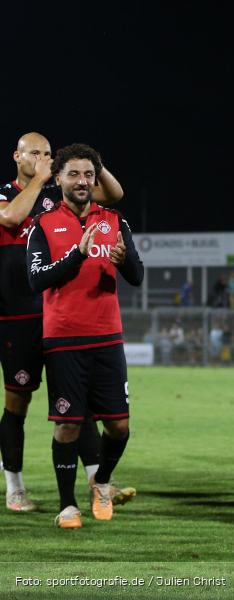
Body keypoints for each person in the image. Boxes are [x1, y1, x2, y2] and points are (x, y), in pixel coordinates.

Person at [0, 133, 125, 512]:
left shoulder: (63, 197)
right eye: (34, 153)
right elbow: (11, 218)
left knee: (78, 404)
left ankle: (95, 479)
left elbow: (114, 196)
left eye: (48, 154)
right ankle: (15, 487)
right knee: (17, 401)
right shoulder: (5, 193)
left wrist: (91, 164)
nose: (42, 159)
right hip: (17, 315)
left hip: (61, 317)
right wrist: (40, 178)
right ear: (17, 156)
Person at [27, 143, 143, 528]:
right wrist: (76, 254)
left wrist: (125, 261)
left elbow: (138, 277)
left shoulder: (114, 219)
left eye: (89, 175)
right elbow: (36, 279)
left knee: (120, 427)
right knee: (68, 424)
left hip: (108, 337)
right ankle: (66, 506)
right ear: (57, 178)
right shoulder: (41, 225)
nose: (82, 181)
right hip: (62, 339)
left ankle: (102, 481)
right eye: (74, 174)